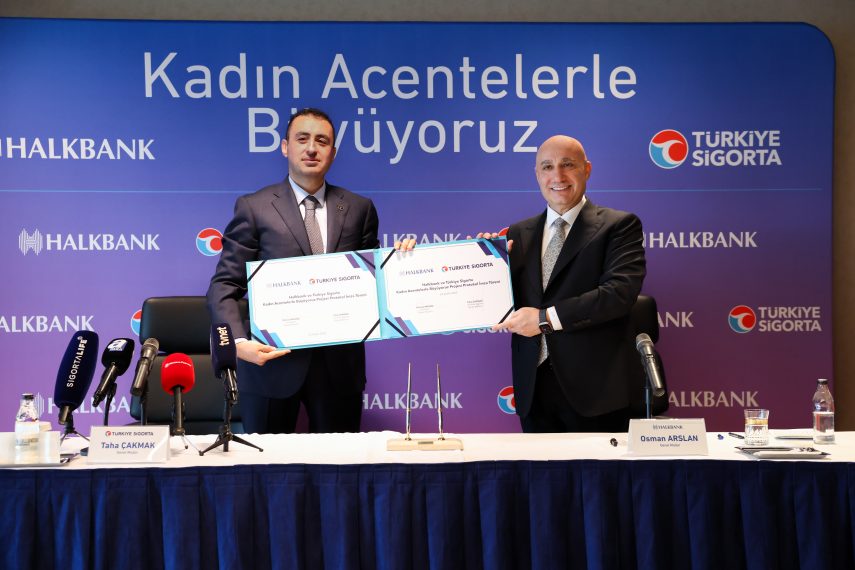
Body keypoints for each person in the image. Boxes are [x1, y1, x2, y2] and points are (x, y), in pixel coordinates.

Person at [207, 107, 413, 434]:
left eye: (322, 141)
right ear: (285, 147)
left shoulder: (359, 209)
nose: (312, 148)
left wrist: (400, 264)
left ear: (333, 151)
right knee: (268, 464)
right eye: (302, 139)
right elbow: (224, 285)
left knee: (340, 464)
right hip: (271, 364)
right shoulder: (254, 207)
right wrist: (238, 341)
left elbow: (374, 284)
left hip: (339, 369)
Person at [491, 135, 646, 433]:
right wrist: (484, 264)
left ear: (586, 169)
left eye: (568, 165)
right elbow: (501, 304)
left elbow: (618, 295)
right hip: (533, 389)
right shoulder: (517, 233)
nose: (558, 176)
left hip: (596, 392)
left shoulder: (619, 226)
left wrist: (544, 319)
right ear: (537, 174)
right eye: (547, 167)